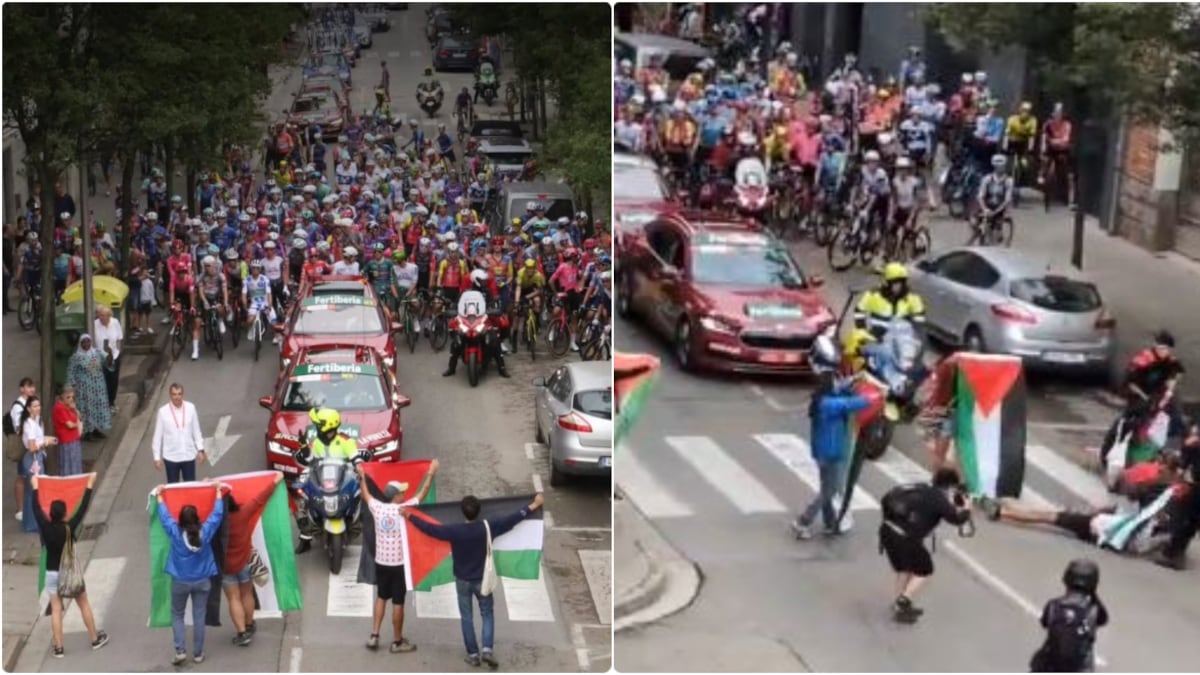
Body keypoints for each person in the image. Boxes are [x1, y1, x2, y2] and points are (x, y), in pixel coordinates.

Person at [401, 493, 544, 668]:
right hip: (482, 579)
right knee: (487, 614)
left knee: (466, 617)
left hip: (462, 580)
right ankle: (487, 650)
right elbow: (512, 519)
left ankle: (473, 654)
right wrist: (534, 505)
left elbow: (431, 529)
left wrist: (410, 516)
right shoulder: (488, 527)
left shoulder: (454, 531)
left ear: (462, 512)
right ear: (479, 512)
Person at [356, 461, 439, 653]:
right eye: (401, 491)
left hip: (381, 562)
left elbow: (365, 494)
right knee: (398, 602)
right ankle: (397, 641)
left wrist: (362, 475)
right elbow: (423, 493)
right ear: (396, 496)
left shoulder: (377, 508)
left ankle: (374, 636)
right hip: (399, 564)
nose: (405, 494)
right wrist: (431, 473)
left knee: (381, 596)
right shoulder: (405, 509)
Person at [878, 467, 972, 623]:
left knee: (904, 568)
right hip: (905, 537)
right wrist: (967, 508)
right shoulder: (939, 499)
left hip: (887, 530)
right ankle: (903, 601)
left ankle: (898, 604)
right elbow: (957, 519)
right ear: (949, 486)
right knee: (924, 570)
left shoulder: (920, 488)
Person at [30, 472, 109, 657]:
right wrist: (89, 485)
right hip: (70, 574)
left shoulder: (46, 528)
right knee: (83, 603)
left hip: (51, 574)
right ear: (65, 514)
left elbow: (35, 509)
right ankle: (94, 638)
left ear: (51, 514)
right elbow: (82, 508)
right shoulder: (69, 527)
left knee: (56, 609)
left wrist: (35, 487)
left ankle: (59, 648)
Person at [791, 373, 870, 539]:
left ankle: (829, 522)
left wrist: (851, 382)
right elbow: (851, 403)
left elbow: (842, 391)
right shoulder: (828, 405)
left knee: (827, 488)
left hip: (823, 452)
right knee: (829, 490)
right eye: (835, 381)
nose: (837, 383)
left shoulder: (823, 400)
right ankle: (803, 521)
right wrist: (874, 396)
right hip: (830, 454)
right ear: (828, 386)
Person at [155, 482, 225, 665]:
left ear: (181, 521)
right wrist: (217, 491)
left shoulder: (175, 533)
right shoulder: (205, 532)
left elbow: (164, 517)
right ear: (197, 519)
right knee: (199, 616)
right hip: (203, 581)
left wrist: (160, 496)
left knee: (177, 614)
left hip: (180, 580)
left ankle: (180, 650)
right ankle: (199, 654)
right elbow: (217, 515)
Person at [221, 473, 283, 646]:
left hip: (226, 566)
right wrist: (275, 480)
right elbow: (260, 498)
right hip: (245, 561)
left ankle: (241, 633)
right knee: (247, 594)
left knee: (233, 598)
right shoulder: (242, 514)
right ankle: (249, 624)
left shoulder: (215, 522)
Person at [292, 408, 363, 554]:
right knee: (301, 500)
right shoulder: (317, 442)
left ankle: (368, 534)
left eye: (318, 425)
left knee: (365, 496)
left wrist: (361, 467)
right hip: (321, 479)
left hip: (344, 480)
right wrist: (304, 448)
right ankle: (305, 537)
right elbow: (310, 461)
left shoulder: (346, 441)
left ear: (326, 426)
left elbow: (356, 458)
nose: (316, 427)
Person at [1030, 559, 1108, 672]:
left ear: (1066, 579)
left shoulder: (1053, 605)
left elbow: (1044, 623)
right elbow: (1104, 619)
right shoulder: (1093, 610)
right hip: (1079, 668)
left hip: (1051, 666)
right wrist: (1093, 594)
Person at [854, 263, 926, 341]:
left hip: (901, 338)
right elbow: (859, 311)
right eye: (895, 283)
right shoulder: (874, 294)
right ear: (887, 283)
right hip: (877, 336)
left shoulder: (912, 296)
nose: (899, 286)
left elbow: (919, 316)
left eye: (902, 282)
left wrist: (918, 334)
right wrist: (862, 330)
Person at [151, 383, 206, 483]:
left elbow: (196, 430)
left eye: (179, 394)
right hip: (171, 457)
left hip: (188, 455)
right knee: (173, 489)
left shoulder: (191, 408)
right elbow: (157, 437)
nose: (177, 397)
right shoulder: (163, 412)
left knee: (190, 488)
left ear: (183, 394)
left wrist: (200, 449)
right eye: (174, 394)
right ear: (170, 395)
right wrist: (156, 457)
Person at [66, 335, 112, 442]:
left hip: (98, 386)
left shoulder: (97, 353)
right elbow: (70, 372)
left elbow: (109, 363)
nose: (86, 344)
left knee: (98, 406)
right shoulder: (76, 357)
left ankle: (96, 429)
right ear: (80, 344)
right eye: (83, 342)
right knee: (87, 408)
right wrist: (71, 388)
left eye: (88, 342)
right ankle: (88, 432)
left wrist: (110, 352)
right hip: (85, 388)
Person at [7, 377, 35, 521]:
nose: (31, 389)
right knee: (22, 476)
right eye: (28, 386)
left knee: (28, 474)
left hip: (30, 444)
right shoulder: (18, 406)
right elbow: (19, 427)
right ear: (21, 389)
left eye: (32, 386)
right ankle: (20, 509)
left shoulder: (31, 402)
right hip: (23, 445)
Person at [92, 306, 124, 413]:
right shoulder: (94, 325)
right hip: (101, 358)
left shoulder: (115, 322)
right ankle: (103, 404)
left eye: (103, 315)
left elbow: (119, 338)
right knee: (102, 381)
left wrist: (118, 352)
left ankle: (111, 403)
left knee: (113, 381)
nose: (100, 317)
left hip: (113, 356)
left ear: (109, 316)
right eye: (99, 315)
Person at [52, 386, 84, 476]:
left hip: (73, 438)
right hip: (67, 441)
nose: (71, 399)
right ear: (62, 396)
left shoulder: (68, 407)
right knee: (70, 465)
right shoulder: (59, 408)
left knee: (75, 463)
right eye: (68, 397)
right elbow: (69, 425)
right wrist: (78, 424)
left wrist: (74, 409)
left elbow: (79, 416)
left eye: (72, 397)